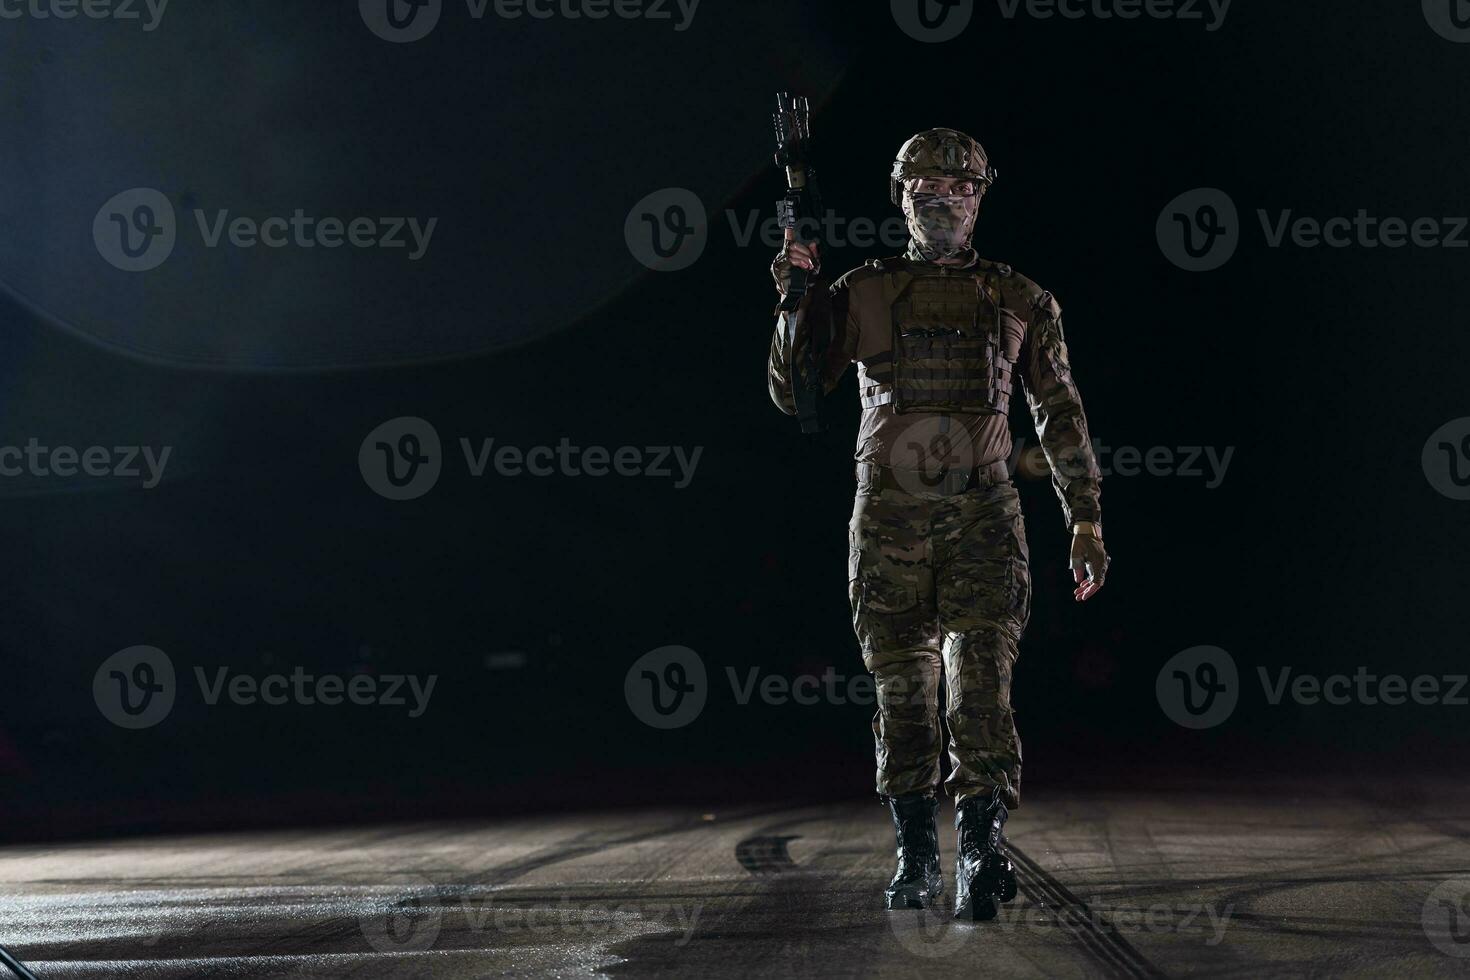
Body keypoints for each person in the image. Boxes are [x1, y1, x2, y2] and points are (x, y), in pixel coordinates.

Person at [766, 128, 1110, 920]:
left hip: (984, 512)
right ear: (902, 197)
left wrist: (1084, 520)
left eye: (959, 188)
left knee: (980, 678)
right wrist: (793, 301)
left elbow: (1059, 414)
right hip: (887, 512)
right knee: (903, 688)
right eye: (925, 186)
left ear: (981, 196)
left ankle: (982, 849)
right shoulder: (861, 291)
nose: (942, 199)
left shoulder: (1021, 298)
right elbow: (796, 396)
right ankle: (916, 850)